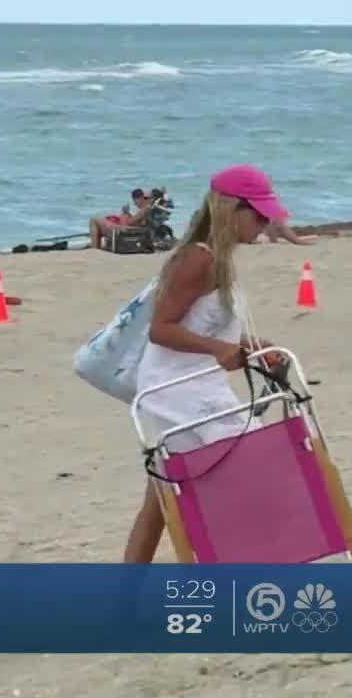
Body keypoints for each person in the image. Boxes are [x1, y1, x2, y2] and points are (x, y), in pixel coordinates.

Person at [123, 164, 287, 563]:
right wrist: (218, 350)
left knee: (162, 504)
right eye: (260, 215)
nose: (265, 225)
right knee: (228, 489)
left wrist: (250, 345)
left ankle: (122, 606)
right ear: (233, 210)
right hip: (177, 392)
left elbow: (202, 324)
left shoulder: (217, 258)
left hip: (188, 385)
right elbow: (160, 329)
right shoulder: (198, 260)